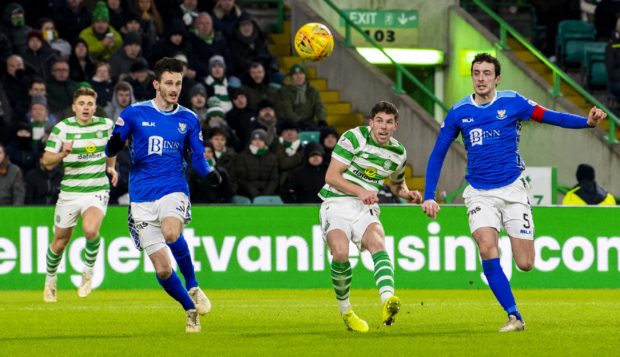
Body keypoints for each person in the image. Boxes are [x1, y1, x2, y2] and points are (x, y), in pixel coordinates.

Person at [421, 53, 607, 332]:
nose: (480, 78)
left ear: (497, 78)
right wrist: (429, 194)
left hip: (513, 189)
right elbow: (438, 154)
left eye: (486, 73)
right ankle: (514, 315)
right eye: (476, 73)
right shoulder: (459, 112)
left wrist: (587, 122)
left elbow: (550, 117)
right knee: (486, 247)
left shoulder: (513, 102)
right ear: (471, 77)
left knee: (525, 263)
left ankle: (513, 239)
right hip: (479, 192)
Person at [104, 57, 222, 333]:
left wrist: (209, 173)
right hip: (141, 195)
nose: (174, 88)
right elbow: (112, 147)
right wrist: (114, 145)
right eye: (169, 83)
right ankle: (189, 309)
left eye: (178, 83)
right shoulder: (134, 113)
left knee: (171, 233)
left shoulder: (189, 119)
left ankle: (193, 286)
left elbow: (197, 157)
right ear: (156, 84)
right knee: (163, 271)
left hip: (173, 186)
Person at [319, 101, 421, 333]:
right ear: (371, 123)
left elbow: (397, 183)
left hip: (365, 208)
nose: (383, 127)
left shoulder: (398, 153)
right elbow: (331, 176)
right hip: (336, 203)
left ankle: (387, 300)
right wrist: (361, 191)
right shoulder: (354, 138)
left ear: (396, 126)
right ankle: (346, 311)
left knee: (377, 242)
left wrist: (407, 193)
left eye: (389, 122)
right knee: (341, 254)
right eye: (379, 121)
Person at [42, 87, 118, 303]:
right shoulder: (62, 129)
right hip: (69, 193)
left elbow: (111, 149)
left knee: (90, 229)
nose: (86, 107)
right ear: (74, 107)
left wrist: (111, 168)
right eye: (82, 104)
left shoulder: (105, 126)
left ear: (95, 107)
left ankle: (87, 273)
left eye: (90, 104)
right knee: (59, 241)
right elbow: (46, 161)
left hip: (96, 189)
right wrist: (62, 153)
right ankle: (50, 279)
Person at [279, 64, 327, 130]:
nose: (299, 77)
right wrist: (299, 121)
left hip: (310, 123)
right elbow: (287, 109)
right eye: (295, 74)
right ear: (291, 77)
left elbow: (319, 106)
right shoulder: (285, 91)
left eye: (301, 74)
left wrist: (322, 120)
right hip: (291, 124)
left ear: (305, 76)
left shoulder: (312, 91)